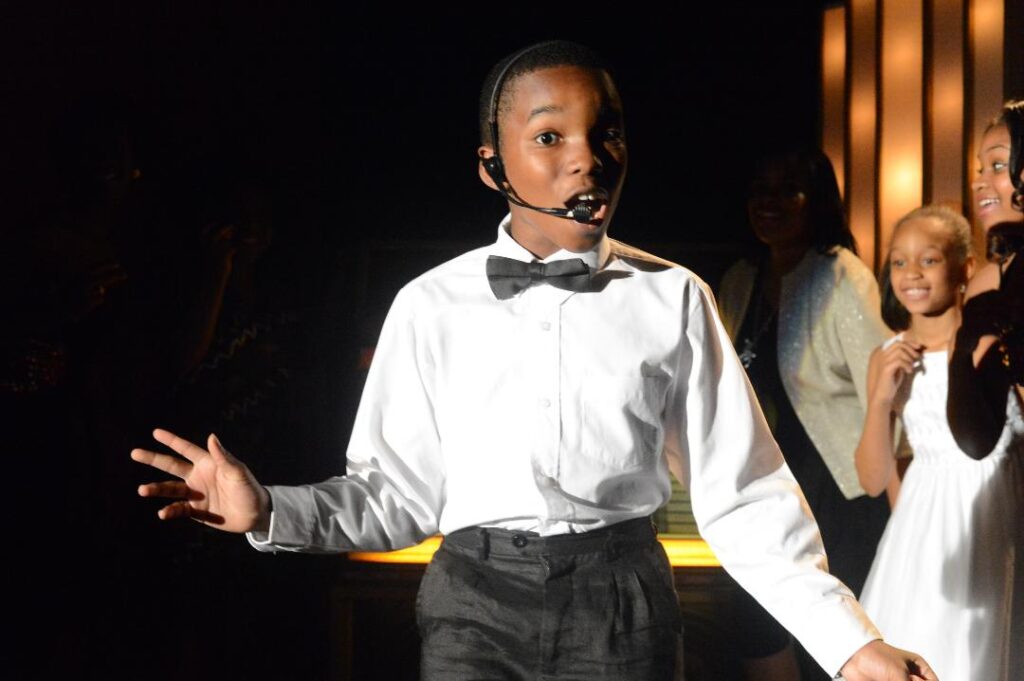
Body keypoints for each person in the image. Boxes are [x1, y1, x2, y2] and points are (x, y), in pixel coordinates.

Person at [132, 41, 936, 681]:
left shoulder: (675, 298)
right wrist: (269, 510)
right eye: (549, 136)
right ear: (493, 165)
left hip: (624, 606)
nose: (586, 157)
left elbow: (747, 496)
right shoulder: (428, 305)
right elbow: (395, 496)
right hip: (472, 608)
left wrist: (848, 641)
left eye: (606, 130)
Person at [716, 149, 892, 680]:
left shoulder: (840, 274)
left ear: (816, 203)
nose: (770, 203)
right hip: (767, 484)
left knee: (832, 638)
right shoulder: (739, 279)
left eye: (788, 190)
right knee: (750, 620)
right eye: (760, 190)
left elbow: (882, 389)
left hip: (837, 491)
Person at [854, 205, 1022, 680]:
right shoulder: (885, 357)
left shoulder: (994, 343)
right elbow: (870, 479)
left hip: (998, 513)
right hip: (923, 533)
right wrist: (881, 400)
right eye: (899, 261)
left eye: (928, 260)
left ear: (964, 268)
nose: (912, 274)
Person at [948, 100, 1024, 458]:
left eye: (997, 165)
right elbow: (976, 441)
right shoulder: (990, 284)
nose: (979, 182)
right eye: (980, 169)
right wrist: (962, 350)